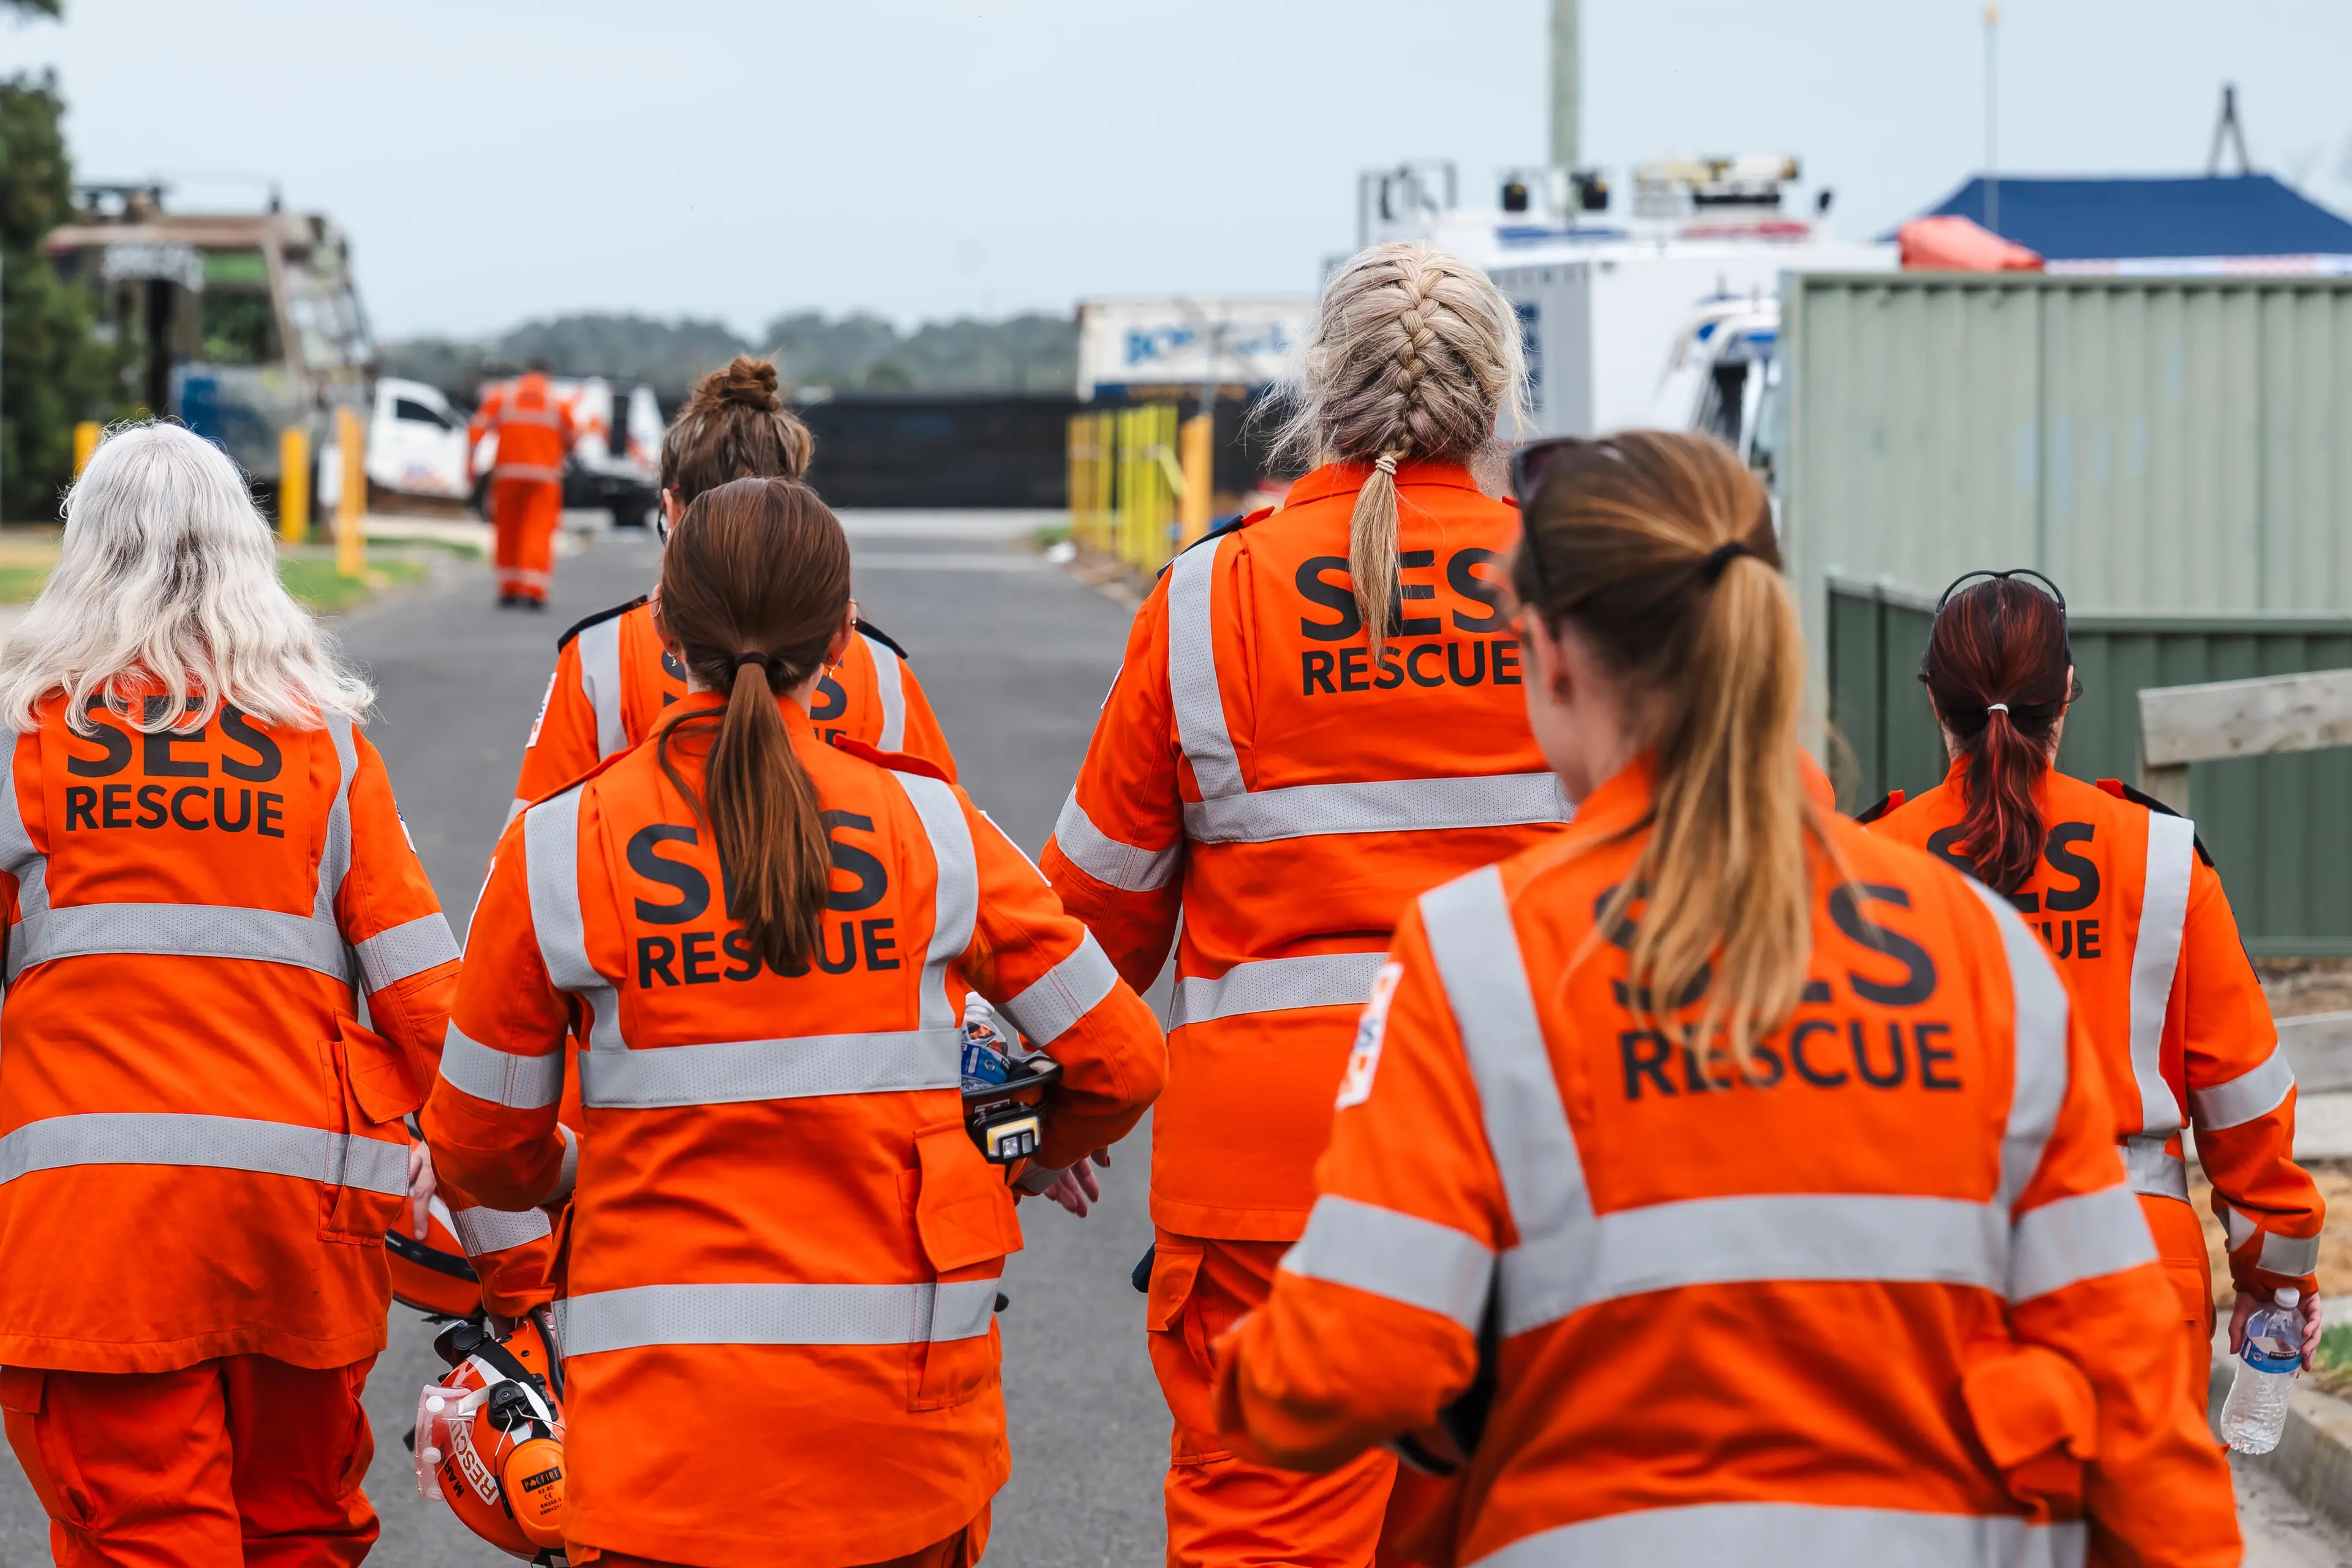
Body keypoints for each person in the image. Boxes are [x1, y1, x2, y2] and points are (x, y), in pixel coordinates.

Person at [1213, 432, 2240, 1568]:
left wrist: (1251, 1369)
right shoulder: (1984, 953)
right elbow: (2131, 1394)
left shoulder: (1478, 955)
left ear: (1552, 658)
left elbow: (1352, 1366)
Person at [424, 477, 1166, 1568]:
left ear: (665, 632)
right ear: (842, 637)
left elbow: (475, 1147)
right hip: (903, 1458)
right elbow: (1123, 1062)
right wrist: (997, 1157)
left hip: (657, 1462)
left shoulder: (556, 852)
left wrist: (572, 1177)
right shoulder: (933, 829)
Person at [1041, 241, 1568, 1566]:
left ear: (1320, 391)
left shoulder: (1208, 598)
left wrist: (1059, 1106)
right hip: (1543, 1172)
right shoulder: (1586, 602)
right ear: (1500, 398)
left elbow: (1090, 918)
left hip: (1276, 1189)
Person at [0, 422, 460, 1564]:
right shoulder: (328, 751)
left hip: (92, 1248)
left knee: (154, 1537)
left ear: (83, 552)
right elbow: (438, 1013)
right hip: (296, 1239)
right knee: (298, 1534)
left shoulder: (21, 745)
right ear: (248, 552)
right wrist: (514, 1261)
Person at [1864, 569, 2326, 1395]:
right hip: (2137, 1273)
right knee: (2145, 1525)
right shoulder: (2160, 858)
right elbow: (2246, 1106)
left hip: (1927, 1278)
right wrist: (2277, 1289)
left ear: (1934, 700)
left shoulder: (1856, 866)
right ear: (2066, 692)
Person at [510, 355, 954, 825]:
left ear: (671, 509)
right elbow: (943, 842)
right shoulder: (881, 668)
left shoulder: (601, 655)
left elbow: (537, 847)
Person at [469, 356, 578, 608]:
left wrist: (471, 465)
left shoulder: (503, 398)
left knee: (508, 528)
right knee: (538, 530)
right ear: (546, 376)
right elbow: (573, 438)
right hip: (544, 478)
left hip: (508, 475)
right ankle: (533, 589)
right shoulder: (557, 404)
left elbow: (476, 429)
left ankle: (508, 587)